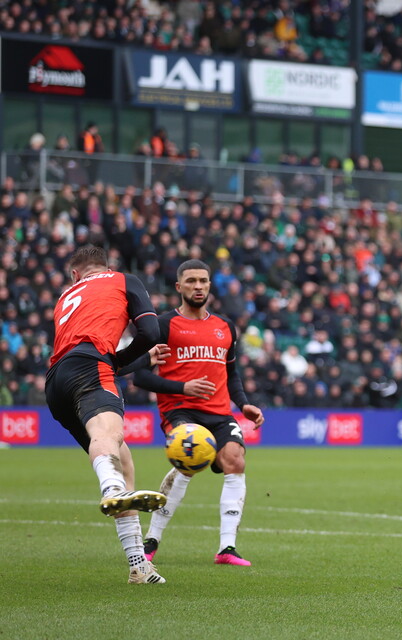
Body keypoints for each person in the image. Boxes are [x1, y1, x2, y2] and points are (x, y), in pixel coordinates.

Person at [124, 259, 265, 566]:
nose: (198, 286)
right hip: (180, 409)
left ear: (210, 286)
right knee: (189, 464)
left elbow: (232, 373)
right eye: (191, 281)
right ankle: (152, 540)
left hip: (218, 412)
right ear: (179, 287)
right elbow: (141, 377)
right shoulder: (162, 325)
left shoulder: (225, 327)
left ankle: (227, 548)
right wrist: (182, 388)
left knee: (235, 459)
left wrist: (243, 405)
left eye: (203, 281)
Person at [45, 244, 169, 584]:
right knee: (109, 437)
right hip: (89, 367)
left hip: (56, 381)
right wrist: (136, 354)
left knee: (121, 459)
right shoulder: (122, 280)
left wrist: (135, 360)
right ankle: (110, 489)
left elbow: (93, 353)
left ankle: (137, 565)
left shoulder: (66, 298)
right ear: (106, 265)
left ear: (75, 274)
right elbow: (150, 332)